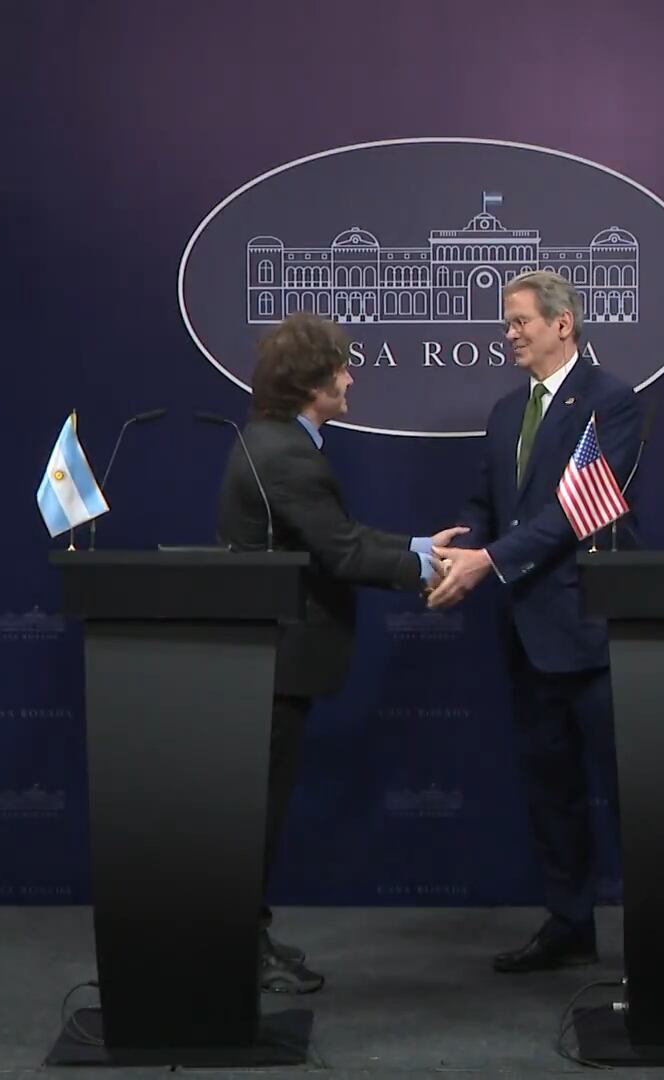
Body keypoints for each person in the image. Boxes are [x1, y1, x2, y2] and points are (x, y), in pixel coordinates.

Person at [215, 311, 467, 993]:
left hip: (266, 659)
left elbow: (336, 533)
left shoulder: (273, 441)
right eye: (342, 368)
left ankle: (249, 934)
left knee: (259, 809)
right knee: (256, 814)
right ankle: (236, 948)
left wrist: (418, 548)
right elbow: (343, 551)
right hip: (276, 659)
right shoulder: (288, 453)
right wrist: (428, 571)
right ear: (313, 382)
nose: (351, 377)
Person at [425, 270, 641, 973]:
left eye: (520, 321)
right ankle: (570, 923)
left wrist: (489, 561)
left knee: (629, 791)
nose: (509, 334)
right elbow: (488, 501)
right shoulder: (504, 411)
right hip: (525, 633)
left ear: (563, 324)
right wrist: (456, 550)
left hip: (590, 632)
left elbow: (577, 513)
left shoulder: (611, 402)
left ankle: (661, 934)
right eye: (507, 323)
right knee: (552, 792)